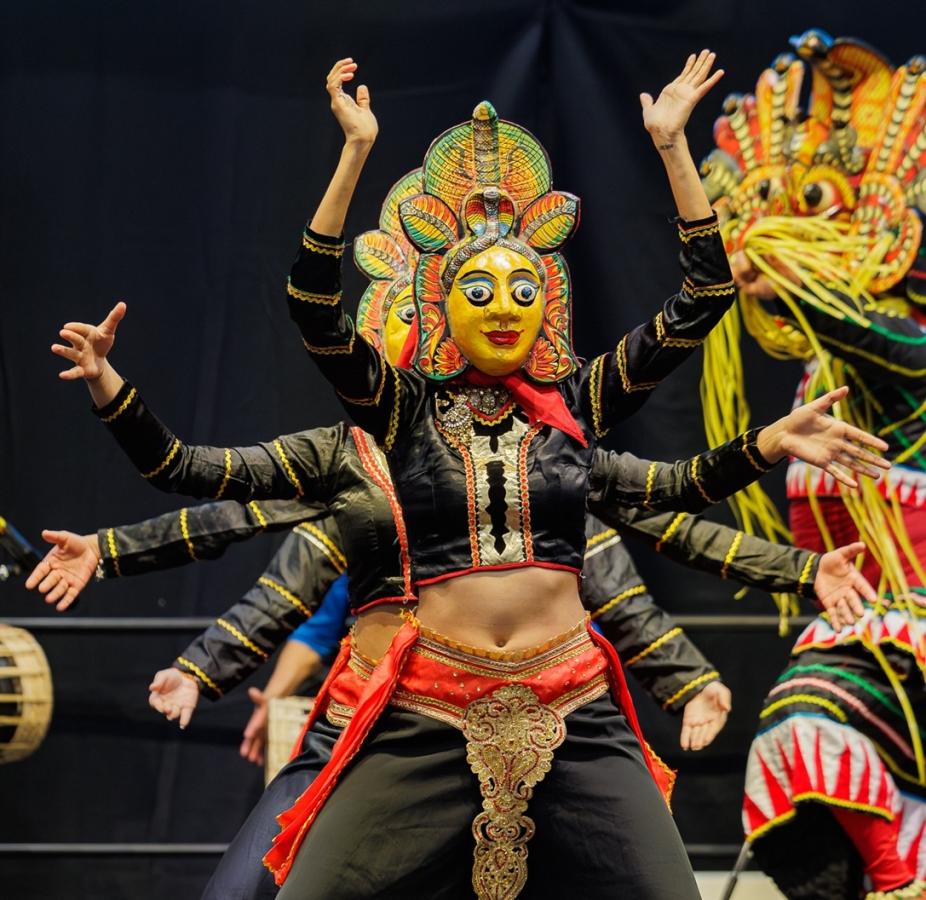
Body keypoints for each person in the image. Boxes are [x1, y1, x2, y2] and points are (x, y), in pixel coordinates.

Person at [698, 29, 926, 900]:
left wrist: (778, 265)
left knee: (807, 723)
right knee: (805, 746)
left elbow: (863, 334)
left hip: (909, 631)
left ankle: (899, 880)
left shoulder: (904, 350)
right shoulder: (816, 378)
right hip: (859, 631)